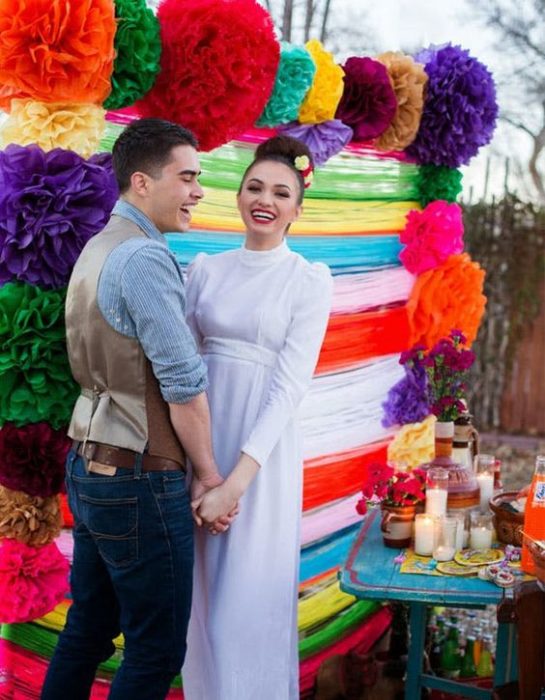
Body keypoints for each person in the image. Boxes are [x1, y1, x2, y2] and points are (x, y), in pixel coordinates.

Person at [41, 118, 233, 700]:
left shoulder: (100, 247)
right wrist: (209, 475)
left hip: (91, 466)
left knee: (88, 631)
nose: (198, 191)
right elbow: (182, 384)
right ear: (143, 183)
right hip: (138, 476)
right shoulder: (145, 259)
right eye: (188, 177)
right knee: (155, 649)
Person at [182, 135, 334, 699]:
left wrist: (233, 484)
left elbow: (289, 387)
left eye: (280, 192)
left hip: (259, 462)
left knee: (241, 616)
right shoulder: (205, 270)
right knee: (201, 620)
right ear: (239, 193)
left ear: (297, 206)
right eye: (254, 187)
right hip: (198, 450)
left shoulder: (307, 280)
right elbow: (178, 373)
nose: (264, 200)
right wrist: (201, 473)